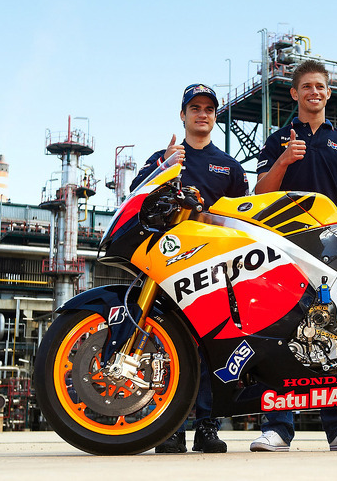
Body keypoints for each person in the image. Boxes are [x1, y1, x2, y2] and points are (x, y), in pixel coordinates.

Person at [250, 59, 337, 452]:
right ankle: (277, 427)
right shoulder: (277, 140)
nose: (314, 93)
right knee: (279, 331)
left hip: (334, 247)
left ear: (328, 92)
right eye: (307, 87)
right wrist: (284, 160)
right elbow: (259, 192)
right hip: (284, 246)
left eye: (320, 87)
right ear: (294, 93)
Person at [130, 83, 248, 453]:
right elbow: (134, 200)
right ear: (182, 115)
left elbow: (245, 218)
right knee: (168, 348)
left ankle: (208, 428)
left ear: (215, 116)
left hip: (215, 270)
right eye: (194, 108)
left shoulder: (229, 167)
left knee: (213, 348)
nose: (202, 114)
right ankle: (171, 427)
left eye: (209, 109)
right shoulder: (164, 158)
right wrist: (163, 168)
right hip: (168, 268)